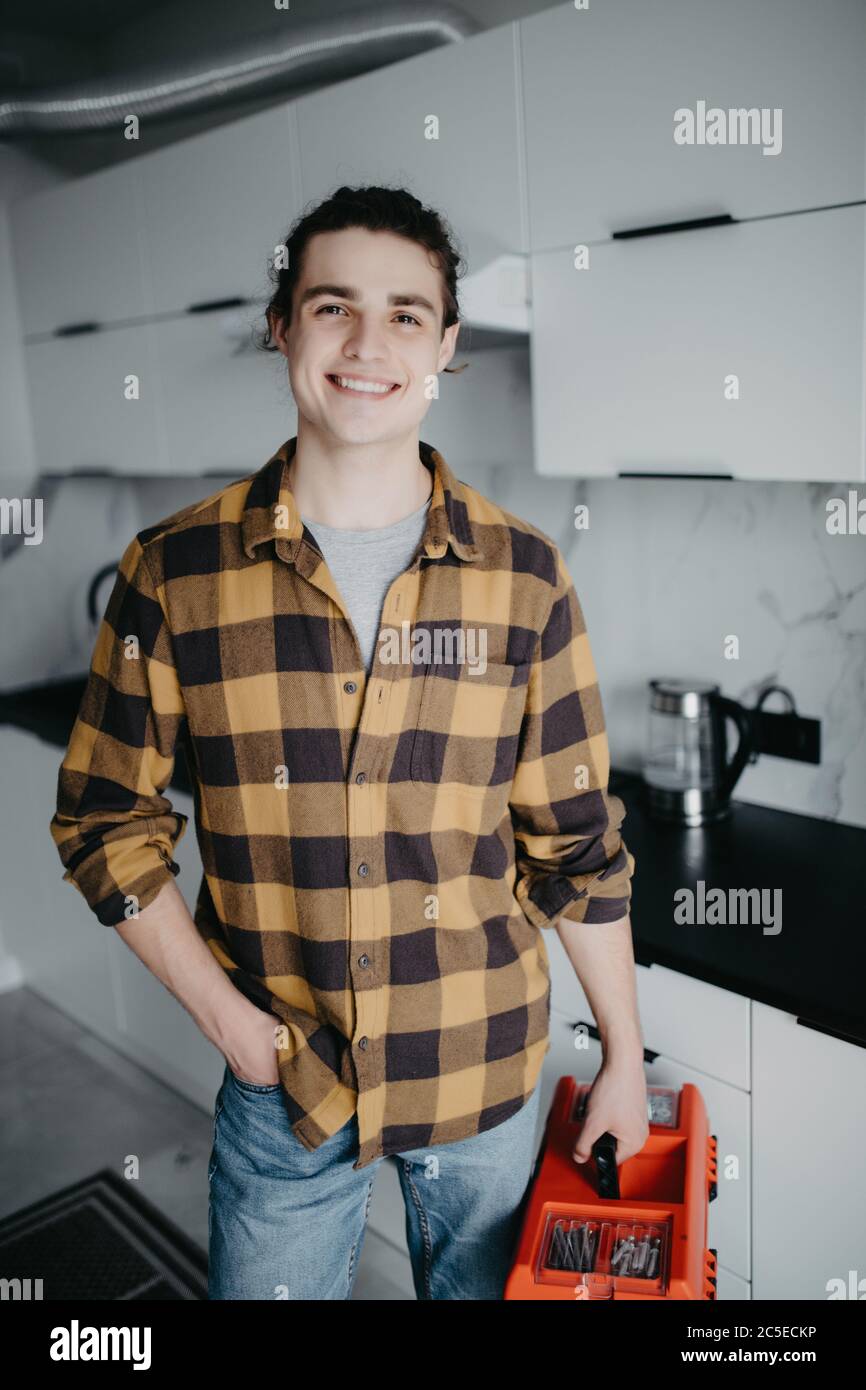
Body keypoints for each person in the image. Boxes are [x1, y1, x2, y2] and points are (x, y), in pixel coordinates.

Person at [50, 185, 647, 1300]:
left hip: (483, 1082)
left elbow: (572, 844)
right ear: (282, 324)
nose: (368, 344)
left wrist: (620, 1054)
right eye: (333, 306)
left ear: (445, 345)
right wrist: (232, 1027)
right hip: (286, 1087)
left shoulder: (523, 577)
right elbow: (103, 822)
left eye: (406, 315)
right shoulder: (174, 573)